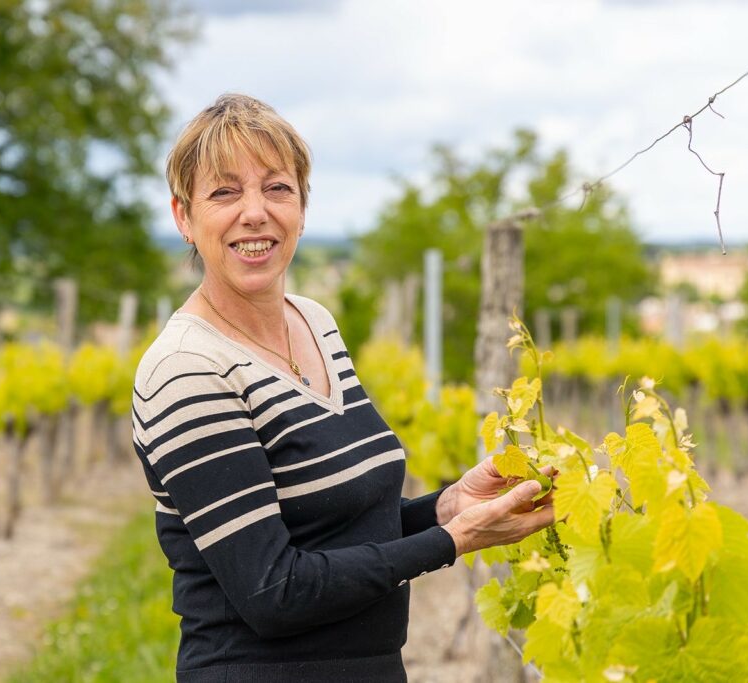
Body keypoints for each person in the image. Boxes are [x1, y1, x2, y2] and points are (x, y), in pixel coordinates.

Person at [130, 93, 554, 683]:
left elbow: (340, 526)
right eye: (225, 192)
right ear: (183, 217)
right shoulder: (188, 368)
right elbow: (274, 591)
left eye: (277, 188)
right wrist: (452, 541)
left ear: (303, 207)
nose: (255, 212)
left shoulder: (315, 323)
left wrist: (449, 506)